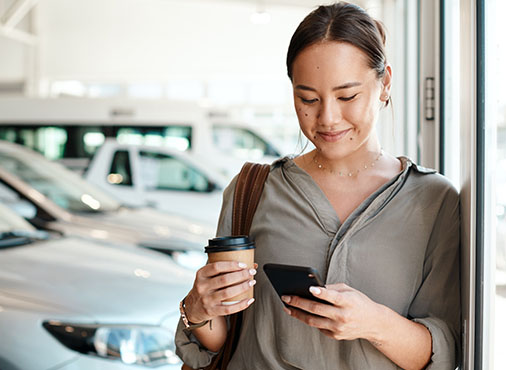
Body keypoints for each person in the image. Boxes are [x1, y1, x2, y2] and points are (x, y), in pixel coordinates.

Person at [175, 2, 460, 369]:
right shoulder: (252, 191)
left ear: (384, 83)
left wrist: (374, 323)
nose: (327, 118)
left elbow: (443, 349)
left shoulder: (435, 201)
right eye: (307, 98)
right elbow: (222, 339)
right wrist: (198, 308)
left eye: (347, 96)